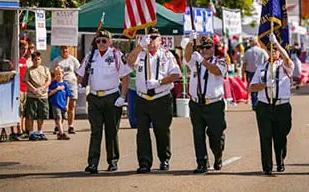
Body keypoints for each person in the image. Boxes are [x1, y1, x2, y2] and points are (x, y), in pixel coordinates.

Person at [127, 27, 181, 174]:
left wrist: (160, 82)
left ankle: (164, 159)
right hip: (142, 99)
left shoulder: (167, 55)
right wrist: (139, 46)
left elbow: (177, 74)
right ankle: (144, 163)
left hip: (161, 98)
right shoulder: (140, 54)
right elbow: (129, 62)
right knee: (142, 132)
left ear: (160, 40)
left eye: (154, 37)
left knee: (162, 130)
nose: (151, 41)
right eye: (149, 37)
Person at [77, 30, 132, 174]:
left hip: (111, 97)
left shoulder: (115, 55)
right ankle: (93, 163)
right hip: (94, 97)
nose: (100, 44)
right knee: (95, 131)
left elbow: (125, 76)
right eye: (98, 41)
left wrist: (123, 96)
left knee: (111, 131)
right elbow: (81, 73)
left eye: (104, 41)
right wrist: (80, 86)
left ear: (110, 41)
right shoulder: (90, 56)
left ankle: (112, 161)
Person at [248, 33, 294, 175]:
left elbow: (286, 58)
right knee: (265, 136)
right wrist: (263, 85)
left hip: (281, 106)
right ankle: (267, 166)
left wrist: (278, 45)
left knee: (280, 136)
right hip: (264, 105)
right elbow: (251, 87)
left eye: (275, 49)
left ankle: (280, 160)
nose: (273, 52)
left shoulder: (285, 65)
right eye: (270, 49)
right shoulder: (261, 67)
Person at [184, 32, 227, 174]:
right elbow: (187, 56)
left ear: (213, 48)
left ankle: (218, 155)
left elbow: (216, 72)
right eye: (202, 48)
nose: (205, 50)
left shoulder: (220, 60)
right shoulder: (195, 61)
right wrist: (191, 42)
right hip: (196, 104)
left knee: (216, 135)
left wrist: (202, 61)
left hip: (214, 104)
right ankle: (201, 163)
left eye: (208, 47)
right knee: (198, 134)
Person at [51, 45, 80, 134]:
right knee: (60, 105)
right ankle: (58, 126)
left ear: (69, 49)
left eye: (66, 48)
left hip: (71, 84)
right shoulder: (56, 60)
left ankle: (70, 126)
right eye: (63, 49)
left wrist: (77, 82)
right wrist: (55, 83)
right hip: (60, 85)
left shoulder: (73, 60)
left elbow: (79, 72)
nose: (64, 50)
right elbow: (52, 72)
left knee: (71, 105)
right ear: (60, 50)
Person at [24, 52, 51, 141]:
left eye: (39, 59)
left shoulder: (45, 69)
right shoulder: (29, 70)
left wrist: (43, 88)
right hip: (32, 95)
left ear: (41, 59)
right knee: (30, 115)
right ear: (32, 60)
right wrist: (34, 90)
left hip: (43, 96)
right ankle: (31, 132)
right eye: (35, 59)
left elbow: (49, 80)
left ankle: (40, 132)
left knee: (41, 115)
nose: (37, 61)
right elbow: (27, 81)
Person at [242, 37, 269, 110]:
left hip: (250, 72)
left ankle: (254, 104)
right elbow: (267, 61)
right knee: (261, 87)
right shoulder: (262, 51)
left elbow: (244, 64)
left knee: (253, 88)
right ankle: (260, 103)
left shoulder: (247, 52)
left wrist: (242, 74)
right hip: (261, 72)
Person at [48, 66, 72, 140]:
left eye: (60, 74)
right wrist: (57, 89)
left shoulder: (65, 84)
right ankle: (61, 133)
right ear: (54, 75)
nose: (58, 75)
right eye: (56, 74)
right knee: (58, 118)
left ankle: (59, 132)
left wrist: (67, 105)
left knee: (62, 118)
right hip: (55, 103)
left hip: (63, 104)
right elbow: (49, 94)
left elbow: (68, 95)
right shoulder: (53, 84)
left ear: (63, 74)